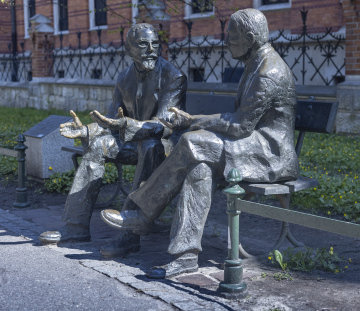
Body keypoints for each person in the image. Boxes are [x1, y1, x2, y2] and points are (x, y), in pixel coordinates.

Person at [99, 8, 300, 278]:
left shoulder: (268, 71)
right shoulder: (256, 63)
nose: (226, 41)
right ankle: (185, 256)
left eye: (231, 36)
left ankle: (143, 214)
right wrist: (194, 120)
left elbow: (240, 126)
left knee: (192, 143)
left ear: (249, 37)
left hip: (270, 154)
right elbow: (238, 119)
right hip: (254, 144)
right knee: (199, 168)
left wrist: (193, 121)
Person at [40, 23, 187, 257]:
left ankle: (129, 234)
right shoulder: (123, 78)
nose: (151, 49)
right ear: (129, 49)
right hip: (131, 140)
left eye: (155, 44)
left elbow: (165, 125)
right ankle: (76, 227)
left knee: (150, 146)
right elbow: (110, 118)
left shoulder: (173, 76)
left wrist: (127, 125)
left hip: (165, 144)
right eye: (143, 44)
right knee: (98, 146)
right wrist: (86, 131)